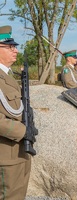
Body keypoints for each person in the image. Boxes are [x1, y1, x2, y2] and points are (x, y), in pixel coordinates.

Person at [0, 25, 37, 199]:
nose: (15, 50)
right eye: (10, 47)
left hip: (20, 152)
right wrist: (24, 131)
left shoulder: (7, 76)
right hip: (6, 157)